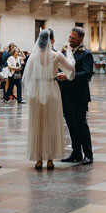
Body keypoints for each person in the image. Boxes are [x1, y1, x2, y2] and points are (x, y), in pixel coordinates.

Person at [24, 29, 73, 169]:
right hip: (51, 88)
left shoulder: (33, 57)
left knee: (37, 124)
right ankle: (50, 159)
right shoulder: (56, 55)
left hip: (37, 91)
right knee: (51, 123)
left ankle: (38, 159)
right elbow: (70, 69)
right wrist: (69, 54)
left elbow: (28, 76)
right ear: (51, 40)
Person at [58, 27, 95, 165]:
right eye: (70, 37)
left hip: (79, 95)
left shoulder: (85, 54)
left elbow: (87, 73)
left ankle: (88, 154)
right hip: (65, 94)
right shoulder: (65, 52)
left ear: (80, 39)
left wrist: (68, 77)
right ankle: (76, 152)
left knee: (81, 124)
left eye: (73, 38)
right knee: (70, 124)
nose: (70, 40)